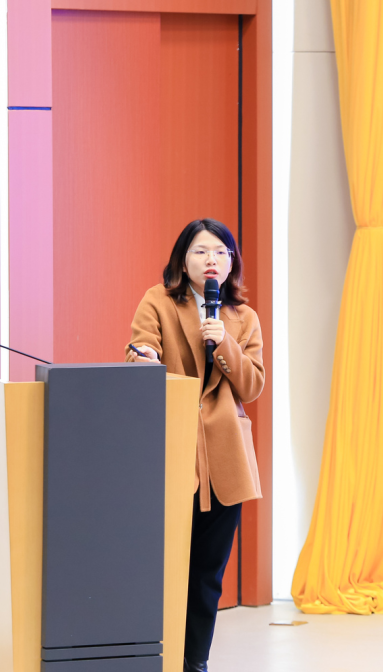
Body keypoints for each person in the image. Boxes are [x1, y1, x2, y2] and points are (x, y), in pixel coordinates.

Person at [125, 218, 264, 672]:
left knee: (207, 575)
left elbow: (252, 386)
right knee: (161, 569)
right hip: (171, 453)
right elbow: (138, 350)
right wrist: (144, 358)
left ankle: (195, 663)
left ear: (231, 263)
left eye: (221, 252)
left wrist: (224, 344)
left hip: (225, 459)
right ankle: (155, 658)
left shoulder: (243, 318)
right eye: (201, 251)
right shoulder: (158, 301)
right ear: (183, 261)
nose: (211, 260)